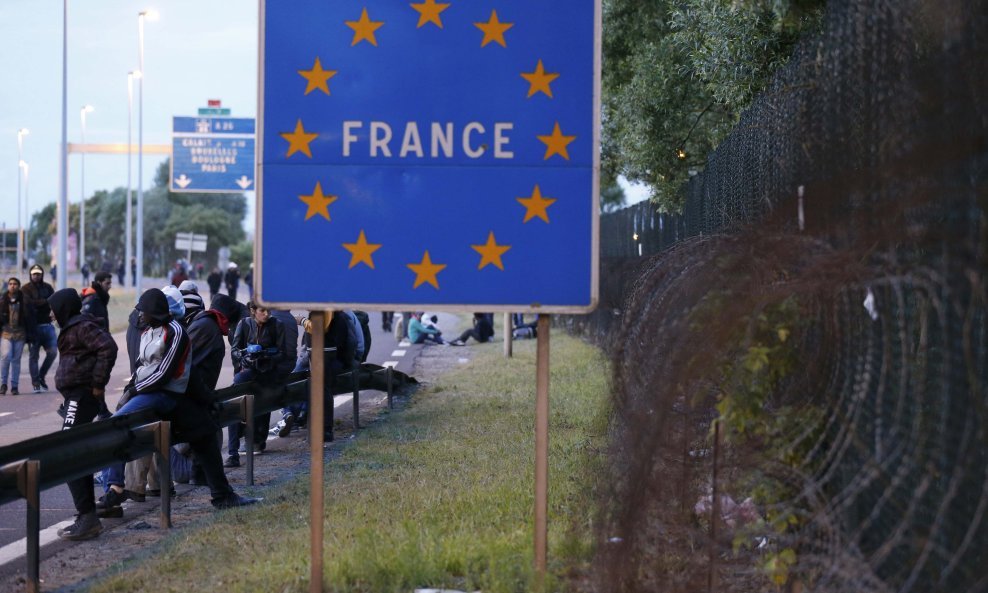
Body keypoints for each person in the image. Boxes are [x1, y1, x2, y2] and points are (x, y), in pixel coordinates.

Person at [97, 288, 259, 515]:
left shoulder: (176, 332)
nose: (140, 316)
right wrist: (134, 388)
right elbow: (142, 368)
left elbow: (165, 373)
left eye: (143, 312)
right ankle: (114, 488)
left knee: (205, 432)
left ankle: (222, 495)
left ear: (155, 311)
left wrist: (137, 388)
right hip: (152, 394)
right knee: (116, 424)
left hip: (167, 396)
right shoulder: (147, 333)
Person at [49, 288, 118, 540]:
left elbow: (108, 347)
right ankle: (87, 515)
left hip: (82, 396)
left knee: (68, 452)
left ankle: (88, 517)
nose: (51, 315)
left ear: (64, 308)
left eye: (53, 309)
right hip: (75, 397)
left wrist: (98, 383)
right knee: (74, 451)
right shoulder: (74, 326)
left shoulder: (81, 326)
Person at [224, 301, 284, 467]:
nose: (266, 314)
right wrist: (245, 357)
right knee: (233, 406)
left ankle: (257, 440)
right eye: (262, 310)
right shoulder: (244, 324)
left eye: (268, 310)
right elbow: (235, 350)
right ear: (252, 311)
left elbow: (282, 353)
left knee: (258, 408)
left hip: (267, 376)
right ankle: (233, 454)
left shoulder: (276, 325)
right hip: (247, 374)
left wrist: (265, 356)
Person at [21, 264, 57, 393]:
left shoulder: (48, 287)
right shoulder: (25, 289)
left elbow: (54, 302)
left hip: (48, 326)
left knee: (53, 352)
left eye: (38, 273)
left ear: (42, 274)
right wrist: (45, 302)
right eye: (34, 274)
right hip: (33, 328)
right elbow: (28, 304)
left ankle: (41, 376)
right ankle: (35, 383)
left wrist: (44, 303)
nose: (36, 276)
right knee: (33, 356)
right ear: (30, 275)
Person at [1, 277, 36, 396]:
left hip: (20, 334)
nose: (12, 286)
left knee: (16, 360)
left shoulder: (25, 300)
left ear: (19, 286)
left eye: (15, 284)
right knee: (6, 356)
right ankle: (3, 384)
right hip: (6, 333)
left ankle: (14, 386)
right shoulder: (3, 299)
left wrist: (32, 335)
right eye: (10, 284)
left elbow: (31, 318)